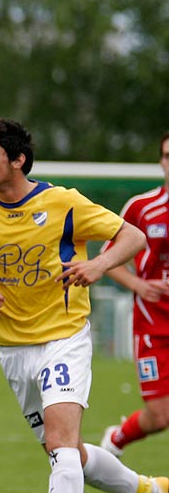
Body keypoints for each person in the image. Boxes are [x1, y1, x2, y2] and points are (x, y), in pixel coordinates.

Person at [0, 118, 168, 493]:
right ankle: (150, 492)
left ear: (18, 160)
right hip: (12, 350)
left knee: (63, 445)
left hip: (64, 336)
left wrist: (100, 264)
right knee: (65, 451)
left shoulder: (63, 203)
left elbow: (132, 236)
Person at [100, 130, 169, 457]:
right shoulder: (142, 207)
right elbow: (107, 261)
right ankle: (116, 440)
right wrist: (140, 285)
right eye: (168, 156)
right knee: (159, 417)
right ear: (160, 162)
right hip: (152, 327)